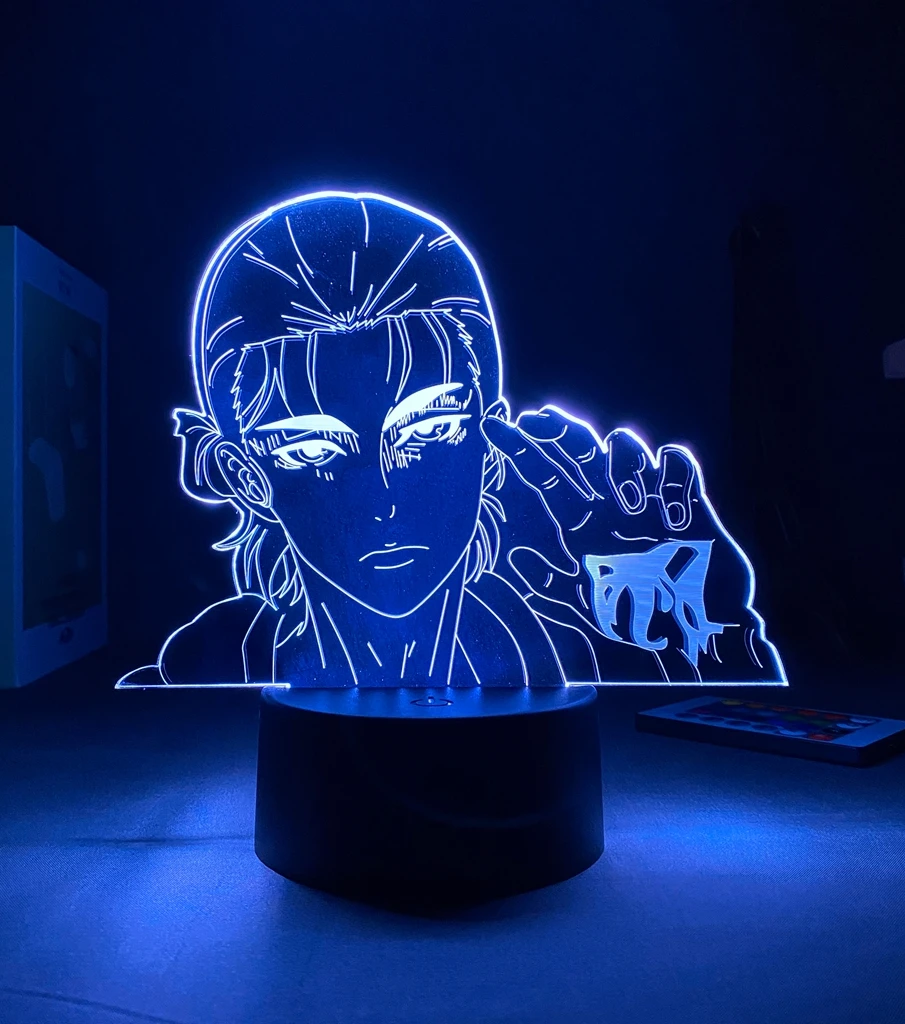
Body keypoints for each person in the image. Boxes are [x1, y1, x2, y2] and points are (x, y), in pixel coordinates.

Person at [117, 192, 785, 688]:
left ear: (488, 441)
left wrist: (710, 642)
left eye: (430, 428)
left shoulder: (574, 660)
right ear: (243, 475)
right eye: (313, 448)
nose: (383, 500)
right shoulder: (199, 685)